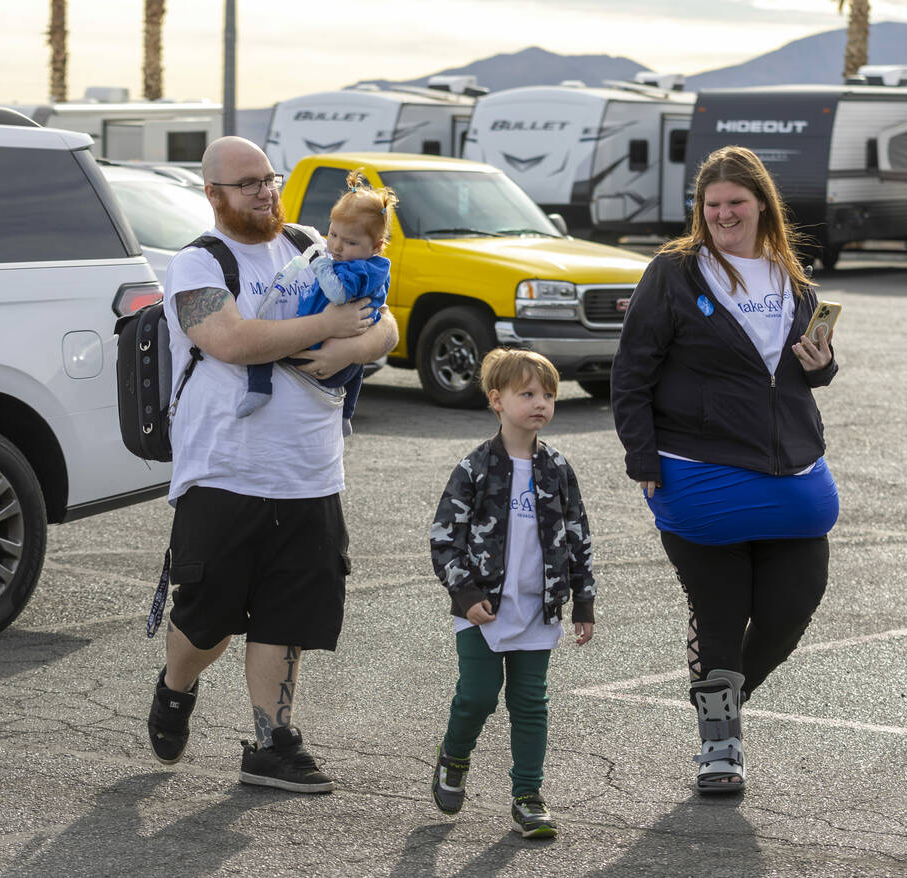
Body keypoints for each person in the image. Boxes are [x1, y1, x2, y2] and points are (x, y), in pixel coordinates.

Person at [146, 136, 398, 793]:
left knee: (288, 617)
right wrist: (328, 329)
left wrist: (353, 347)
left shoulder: (313, 242)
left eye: (269, 177)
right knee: (210, 621)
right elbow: (230, 341)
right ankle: (176, 685)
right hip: (224, 472)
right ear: (213, 194)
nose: (265, 191)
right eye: (247, 183)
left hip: (310, 472)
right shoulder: (198, 266)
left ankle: (272, 740)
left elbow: (386, 323)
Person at [609, 145, 839, 793]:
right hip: (698, 472)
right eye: (712, 206)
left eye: (736, 203)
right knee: (719, 612)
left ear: (761, 203)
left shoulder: (790, 278)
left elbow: (806, 374)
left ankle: (720, 697)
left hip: (793, 475)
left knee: (791, 609)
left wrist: (822, 363)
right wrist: (642, 458)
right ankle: (720, 747)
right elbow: (632, 371)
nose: (723, 214)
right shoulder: (676, 272)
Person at [428, 348, 596, 838]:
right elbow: (444, 538)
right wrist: (463, 593)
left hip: (538, 610)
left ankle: (528, 796)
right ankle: (454, 756)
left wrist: (582, 600)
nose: (540, 403)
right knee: (478, 696)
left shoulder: (558, 469)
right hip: (481, 608)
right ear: (497, 400)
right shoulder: (476, 467)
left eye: (548, 395)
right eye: (527, 394)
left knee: (530, 704)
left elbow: (579, 535)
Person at [235, 169, 396, 436]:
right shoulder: (369, 264)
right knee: (356, 370)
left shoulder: (356, 268)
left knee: (264, 351)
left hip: (317, 352)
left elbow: (338, 294)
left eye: (350, 242)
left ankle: (258, 389)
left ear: (377, 245)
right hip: (341, 364)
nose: (336, 247)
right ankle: (346, 414)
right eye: (333, 234)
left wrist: (321, 266)